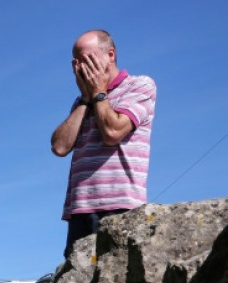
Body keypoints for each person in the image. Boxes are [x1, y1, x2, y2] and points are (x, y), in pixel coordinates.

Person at [51, 29, 156, 258]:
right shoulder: (82, 102)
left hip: (120, 206)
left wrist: (99, 93)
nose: (81, 67)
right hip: (81, 209)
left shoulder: (139, 86)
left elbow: (112, 132)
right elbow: (60, 146)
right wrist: (86, 100)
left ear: (110, 54)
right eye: (76, 61)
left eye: (87, 58)